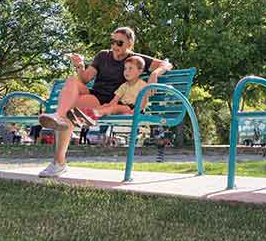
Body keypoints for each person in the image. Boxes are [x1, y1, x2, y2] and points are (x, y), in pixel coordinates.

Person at [37, 27, 172, 177]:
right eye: (112, 41)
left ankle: (58, 162)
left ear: (130, 44)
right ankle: (59, 119)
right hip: (95, 96)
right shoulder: (102, 56)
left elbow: (166, 64)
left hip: (108, 102)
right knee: (71, 82)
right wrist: (80, 65)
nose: (114, 45)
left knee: (69, 113)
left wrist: (154, 74)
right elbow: (85, 79)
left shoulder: (135, 59)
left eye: (119, 43)